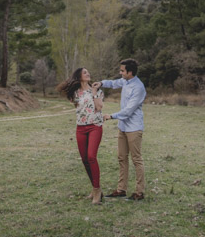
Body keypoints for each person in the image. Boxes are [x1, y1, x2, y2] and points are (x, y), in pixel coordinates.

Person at [94, 58, 146, 201]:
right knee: (122, 158)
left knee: (136, 159)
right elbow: (113, 83)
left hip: (134, 128)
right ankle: (121, 189)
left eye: (122, 70)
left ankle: (139, 192)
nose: (120, 72)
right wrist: (101, 83)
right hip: (123, 127)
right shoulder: (125, 81)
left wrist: (111, 116)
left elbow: (128, 111)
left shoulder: (139, 88)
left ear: (130, 72)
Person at [57, 67, 105, 204]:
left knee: (91, 157)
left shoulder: (98, 91)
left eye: (88, 71)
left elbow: (99, 107)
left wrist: (94, 92)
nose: (88, 73)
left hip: (95, 126)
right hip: (81, 128)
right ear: (79, 77)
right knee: (84, 159)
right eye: (84, 72)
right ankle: (96, 188)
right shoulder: (75, 93)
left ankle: (97, 190)